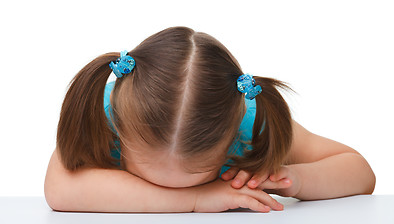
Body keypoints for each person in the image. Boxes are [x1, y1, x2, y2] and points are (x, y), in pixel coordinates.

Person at [44, 26, 376, 213]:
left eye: (195, 178)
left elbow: (358, 171)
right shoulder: (107, 114)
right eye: (150, 180)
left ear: (229, 136)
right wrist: (196, 199)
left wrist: (291, 178)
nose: (164, 188)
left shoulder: (247, 123)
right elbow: (59, 190)